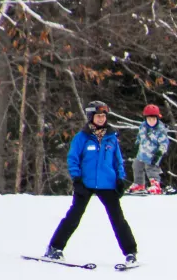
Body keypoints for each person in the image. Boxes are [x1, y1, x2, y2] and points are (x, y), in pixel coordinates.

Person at [44, 101, 138, 265]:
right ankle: (54, 248)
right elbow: (73, 159)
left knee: (118, 219)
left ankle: (131, 252)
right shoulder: (82, 138)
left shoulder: (111, 138)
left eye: (103, 116)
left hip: (108, 184)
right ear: (91, 117)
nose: (101, 119)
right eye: (98, 116)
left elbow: (118, 161)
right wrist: (77, 179)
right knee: (74, 216)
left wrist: (120, 179)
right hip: (86, 183)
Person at [129, 104, 170, 195]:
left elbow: (164, 143)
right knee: (136, 165)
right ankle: (139, 184)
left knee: (150, 168)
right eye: (149, 119)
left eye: (153, 119)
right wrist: (136, 148)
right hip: (142, 152)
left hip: (153, 154)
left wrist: (159, 153)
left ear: (157, 118)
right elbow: (140, 138)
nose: (151, 121)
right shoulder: (143, 126)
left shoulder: (160, 129)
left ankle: (155, 184)